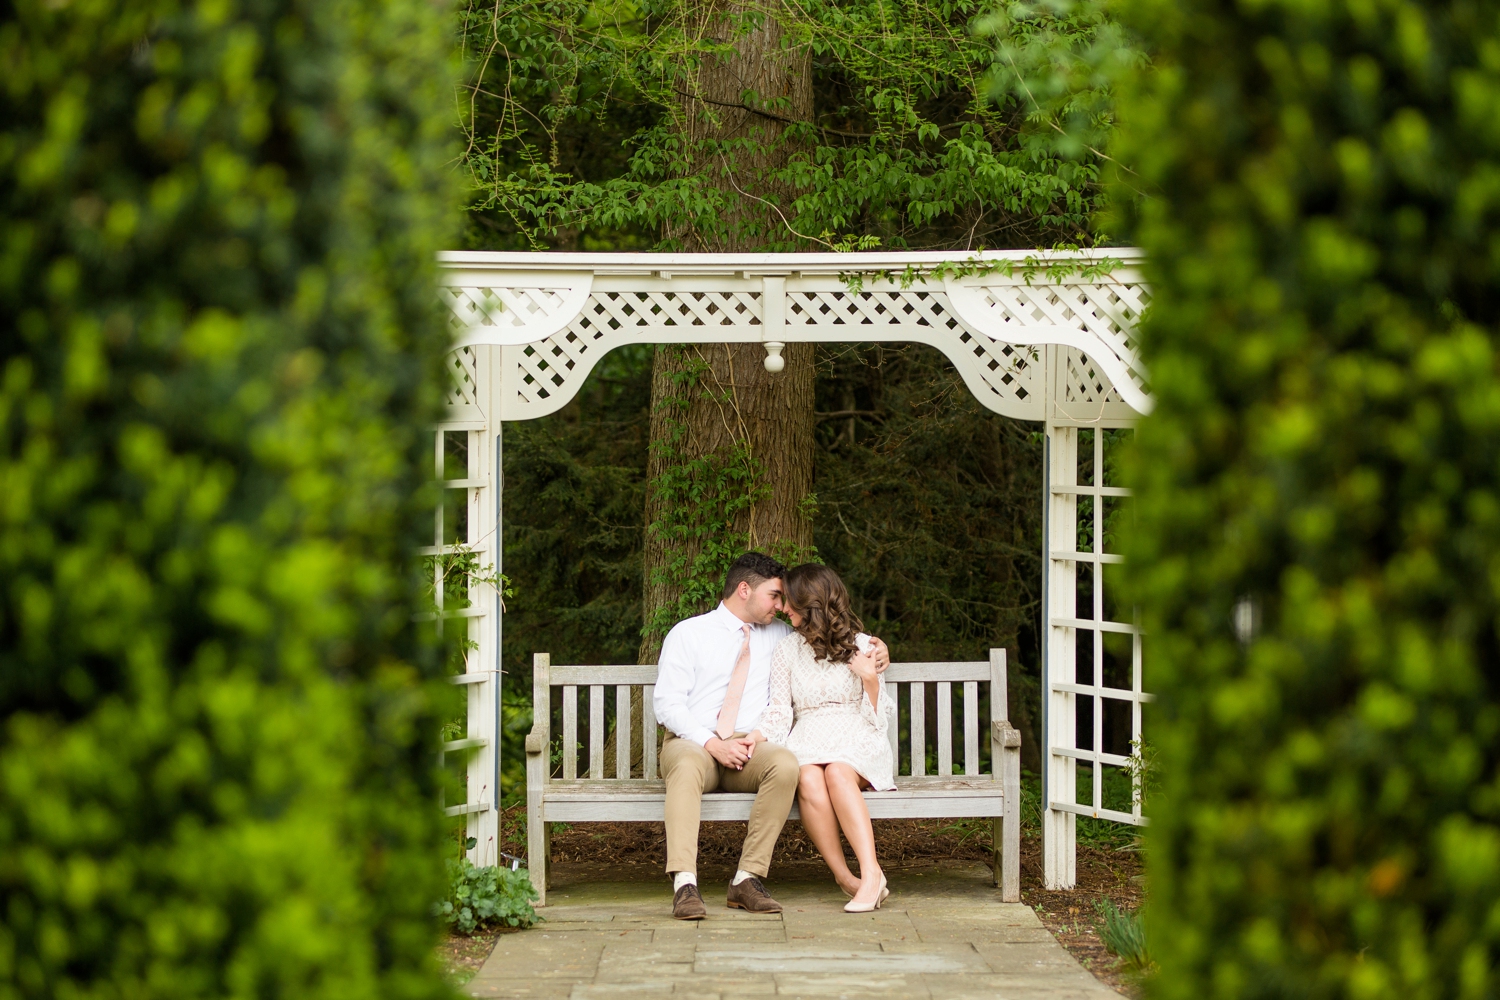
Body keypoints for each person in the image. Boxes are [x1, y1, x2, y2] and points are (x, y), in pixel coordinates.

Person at [653, 552, 888, 920]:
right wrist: (712, 742)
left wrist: (877, 647)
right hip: (695, 742)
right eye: (774, 596)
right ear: (744, 589)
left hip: (749, 744)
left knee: (784, 763)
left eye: (785, 600)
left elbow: (829, 633)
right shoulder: (689, 633)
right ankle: (685, 884)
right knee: (684, 766)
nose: (781, 607)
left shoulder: (782, 634)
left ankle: (746, 879)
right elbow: (667, 704)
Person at [759, 563, 896, 913]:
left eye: (789, 600)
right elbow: (780, 709)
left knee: (836, 771)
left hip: (857, 735)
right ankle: (844, 877)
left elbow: (881, 719)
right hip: (809, 735)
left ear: (811, 602)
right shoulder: (787, 650)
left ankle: (871, 873)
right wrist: (759, 737)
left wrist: (870, 680)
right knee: (807, 775)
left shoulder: (864, 645)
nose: (783, 607)